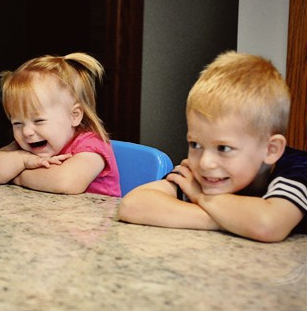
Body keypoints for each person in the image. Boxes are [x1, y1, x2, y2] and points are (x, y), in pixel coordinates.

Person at [118, 51, 306, 242]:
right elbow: (132, 206)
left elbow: (268, 225)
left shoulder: (298, 169)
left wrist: (201, 197)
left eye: (223, 148)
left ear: (270, 150)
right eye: (195, 144)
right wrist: (230, 222)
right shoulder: (202, 173)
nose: (205, 162)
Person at [0, 52, 121, 196]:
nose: (27, 131)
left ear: (74, 116)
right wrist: (24, 160)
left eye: (39, 120)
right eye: (17, 123)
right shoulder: (29, 146)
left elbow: (66, 183)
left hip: (91, 217)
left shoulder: (92, 146)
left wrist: (18, 177)